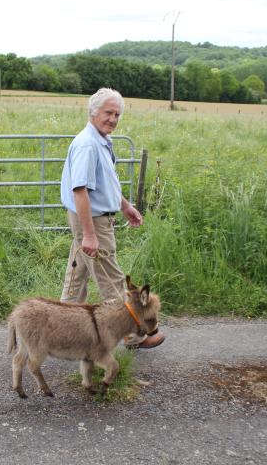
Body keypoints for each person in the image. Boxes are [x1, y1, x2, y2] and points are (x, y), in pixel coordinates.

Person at [59, 87, 165, 349]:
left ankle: (59, 329)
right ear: (93, 112)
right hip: (93, 222)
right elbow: (80, 190)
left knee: (77, 277)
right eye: (109, 112)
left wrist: (126, 206)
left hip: (92, 220)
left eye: (117, 114)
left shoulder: (100, 141)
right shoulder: (88, 145)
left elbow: (105, 185)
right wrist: (90, 234)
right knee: (113, 280)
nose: (113, 119)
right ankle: (135, 335)